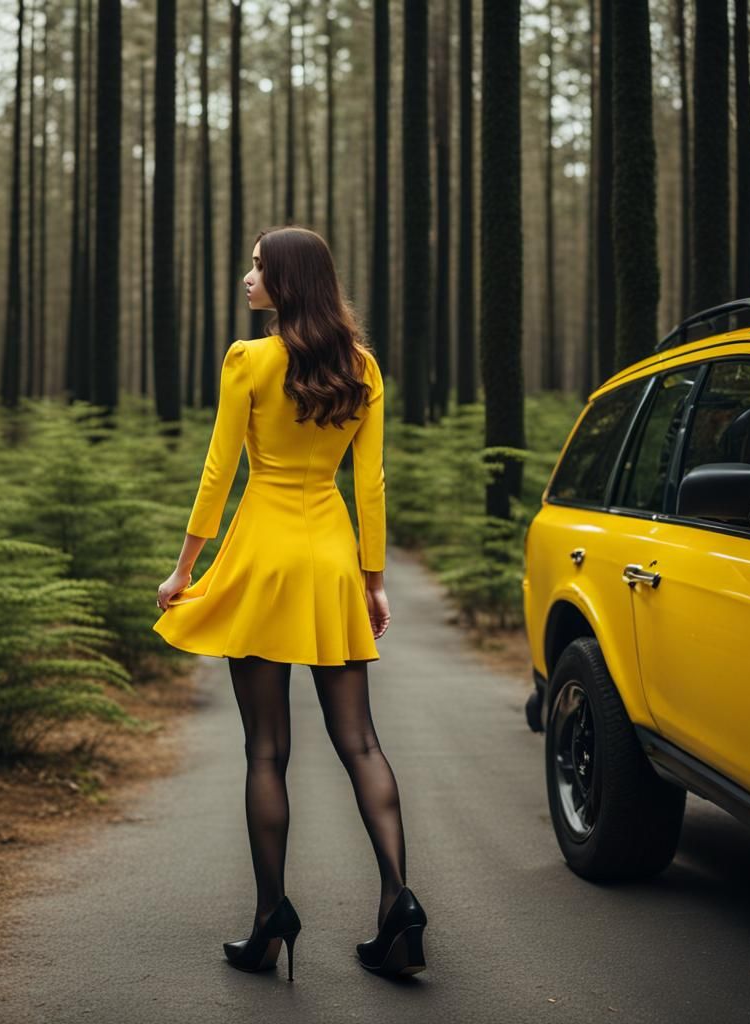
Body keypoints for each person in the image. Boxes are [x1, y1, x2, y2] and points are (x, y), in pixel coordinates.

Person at [152, 225, 427, 981]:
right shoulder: (362, 367)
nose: (248, 278)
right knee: (361, 742)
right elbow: (370, 483)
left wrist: (183, 570)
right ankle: (399, 903)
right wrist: (372, 579)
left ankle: (271, 917)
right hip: (331, 555)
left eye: (258, 267)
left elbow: (218, 472)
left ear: (288, 280)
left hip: (263, 557)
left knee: (267, 750)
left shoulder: (248, 360)